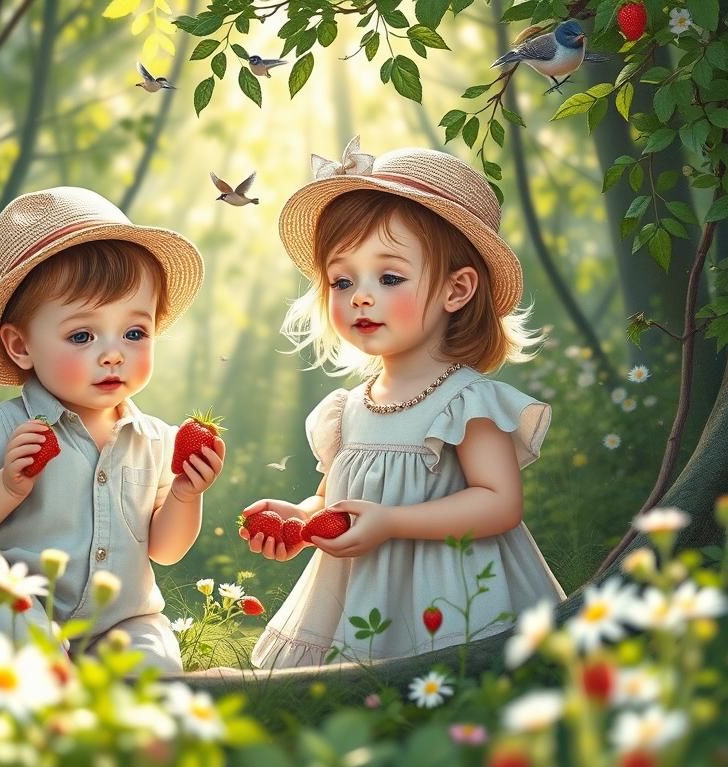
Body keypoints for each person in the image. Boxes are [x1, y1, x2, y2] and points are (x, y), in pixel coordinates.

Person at [241, 140, 565, 669]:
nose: (359, 296)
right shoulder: (347, 409)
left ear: (456, 290)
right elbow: (340, 499)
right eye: (342, 280)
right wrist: (302, 519)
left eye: (389, 278)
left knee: (448, 687)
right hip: (359, 594)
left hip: (450, 592)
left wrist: (392, 522)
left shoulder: (467, 401)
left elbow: (500, 503)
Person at [0, 187, 225, 675]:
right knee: (10, 613)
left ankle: (136, 721)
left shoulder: (156, 440)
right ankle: (49, 683)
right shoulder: (8, 425)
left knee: (155, 664)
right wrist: (4, 486)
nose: (113, 353)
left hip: (116, 617)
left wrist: (187, 494)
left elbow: (166, 551)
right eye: (82, 335)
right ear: (21, 346)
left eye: (134, 333)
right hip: (8, 587)